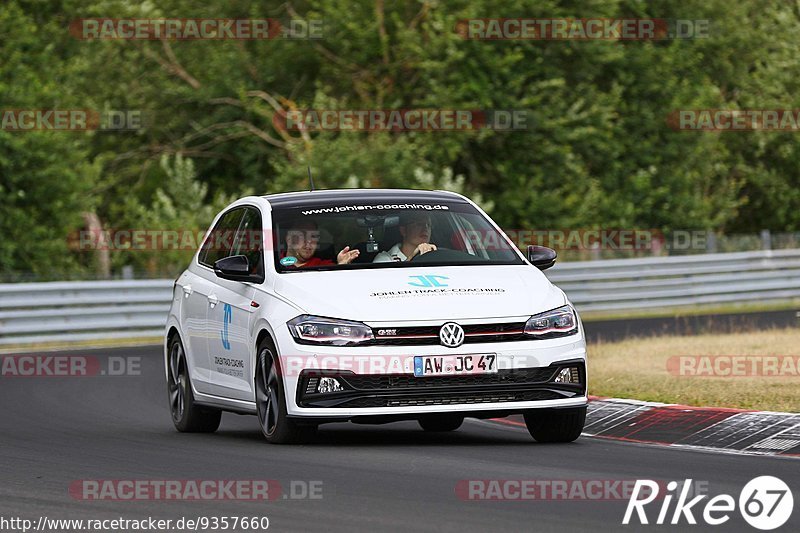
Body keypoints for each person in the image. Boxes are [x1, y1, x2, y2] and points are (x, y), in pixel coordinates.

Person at [282, 220, 359, 267]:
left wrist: (341, 265)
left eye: (313, 236)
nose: (309, 241)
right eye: (303, 235)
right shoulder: (272, 263)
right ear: (289, 239)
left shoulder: (324, 266)